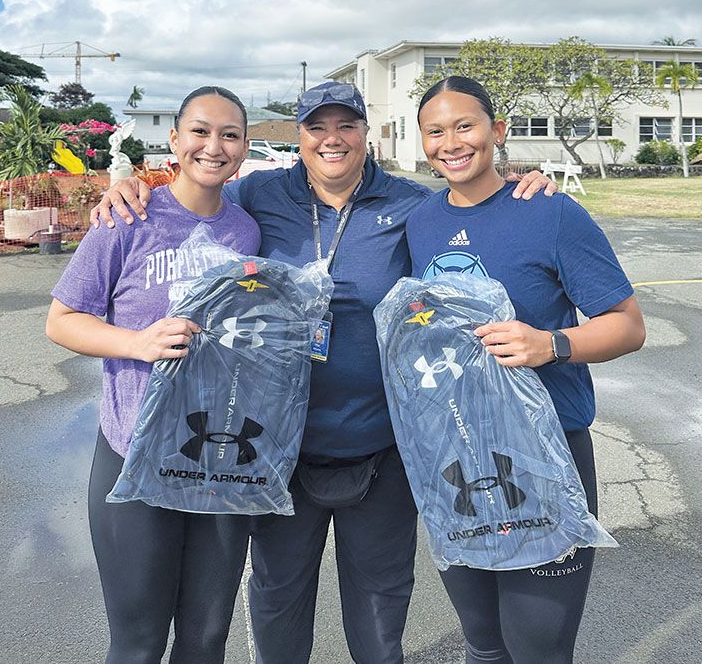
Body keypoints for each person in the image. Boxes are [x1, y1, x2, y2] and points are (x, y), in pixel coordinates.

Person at [94, 81, 556, 664]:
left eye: (347, 126)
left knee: (379, 608)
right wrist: (132, 186)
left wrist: (516, 184)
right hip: (275, 446)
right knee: (278, 600)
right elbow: (197, 187)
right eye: (316, 127)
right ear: (299, 136)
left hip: (378, 442)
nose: (331, 139)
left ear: (368, 134)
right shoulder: (260, 194)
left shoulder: (412, 206)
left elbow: (474, 211)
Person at [407, 75, 646, 664]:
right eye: (435, 131)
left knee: (537, 647)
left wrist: (552, 344)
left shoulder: (550, 211)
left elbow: (627, 324)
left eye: (465, 125)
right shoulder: (420, 220)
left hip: (545, 454)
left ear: (498, 131)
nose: (451, 142)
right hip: (456, 456)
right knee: (483, 643)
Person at [46, 86, 261, 664]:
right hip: (134, 456)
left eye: (230, 135)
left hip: (220, 460)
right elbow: (62, 321)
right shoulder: (129, 218)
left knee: (206, 636)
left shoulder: (247, 230)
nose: (213, 146)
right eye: (199, 131)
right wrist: (138, 344)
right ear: (173, 140)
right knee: (139, 643)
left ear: (243, 150)